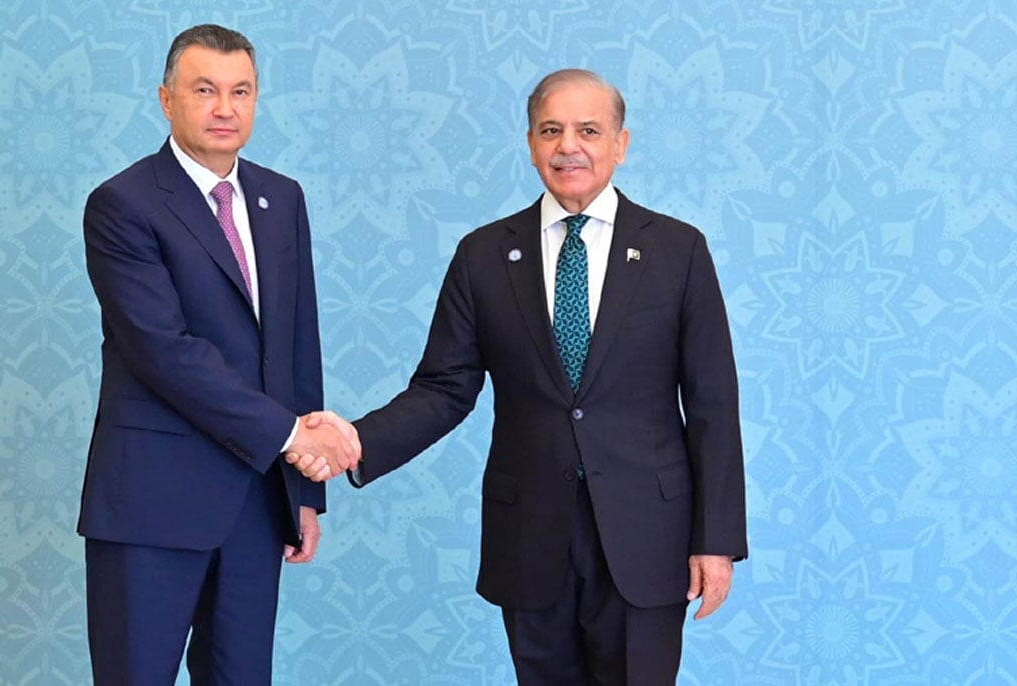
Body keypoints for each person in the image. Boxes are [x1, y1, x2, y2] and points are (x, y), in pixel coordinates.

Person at [294, 68, 747, 684]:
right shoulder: (483, 255)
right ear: (531, 143)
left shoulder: (678, 250)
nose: (570, 146)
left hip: (649, 536)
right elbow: (444, 388)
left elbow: (713, 403)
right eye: (552, 130)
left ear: (620, 143)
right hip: (532, 533)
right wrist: (356, 440)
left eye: (589, 130)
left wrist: (715, 539)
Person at [77, 24, 358, 685]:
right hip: (150, 501)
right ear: (166, 99)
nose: (225, 108)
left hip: (255, 503)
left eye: (241, 91)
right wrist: (293, 438)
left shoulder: (281, 199)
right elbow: (164, 351)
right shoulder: (123, 205)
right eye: (204, 90)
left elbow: (295, 346)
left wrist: (304, 491)